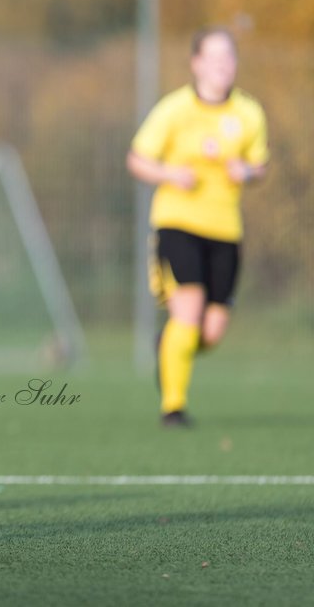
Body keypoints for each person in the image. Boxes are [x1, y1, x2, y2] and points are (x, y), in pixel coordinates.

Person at [127, 27, 269, 428]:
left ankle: (168, 345)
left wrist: (249, 172)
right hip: (177, 223)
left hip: (226, 230)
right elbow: (137, 159)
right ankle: (173, 407)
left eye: (229, 57)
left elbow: (260, 166)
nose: (223, 64)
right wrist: (170, 173)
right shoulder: (174, 109)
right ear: (196, 63)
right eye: (214, 56)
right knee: (188, 313)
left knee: (210, 332)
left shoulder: (248, 113)